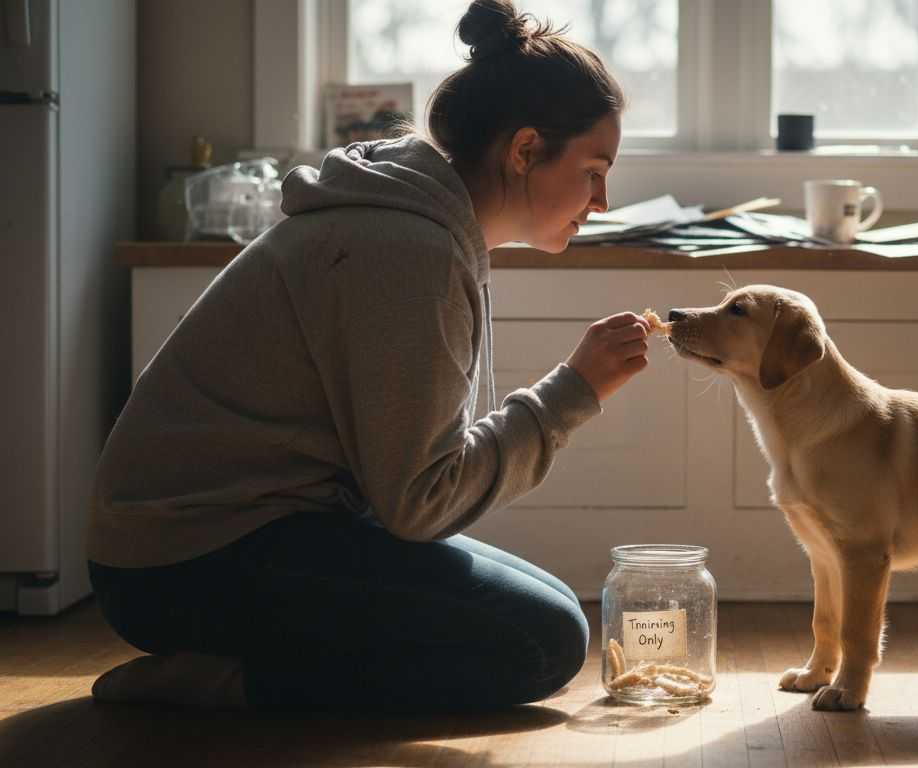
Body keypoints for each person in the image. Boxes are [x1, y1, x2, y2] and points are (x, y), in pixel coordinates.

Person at [85, 0, 646, 712]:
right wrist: (573, 392)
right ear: (526, 150)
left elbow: (410, 486)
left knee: (555, 606)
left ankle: (245, 661)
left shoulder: (425, 225)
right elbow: (420, 502)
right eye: (595, 170)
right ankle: (233, 683)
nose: (602, 199)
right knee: (546, 640)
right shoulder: (407, 249)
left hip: (239, 533)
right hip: (182, 562)